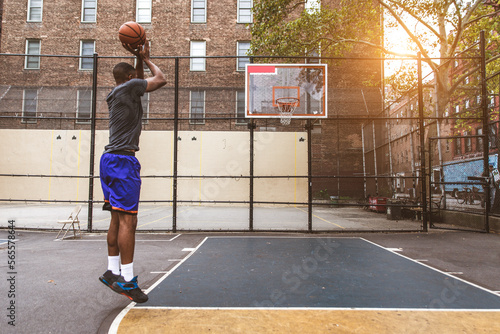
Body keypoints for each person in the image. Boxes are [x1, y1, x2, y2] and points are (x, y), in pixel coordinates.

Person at [98, 40, 166, 303]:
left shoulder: (117, 92)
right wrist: (147, 58)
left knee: (117, 219)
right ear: (129, 78)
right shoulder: (131, 87)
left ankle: (112, 271)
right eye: (136, 76)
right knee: (129, 221)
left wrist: (137, 58)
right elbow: (160, 79)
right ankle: (127, 280)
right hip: (123, 162)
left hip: (108, 161)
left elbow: (138, 80)